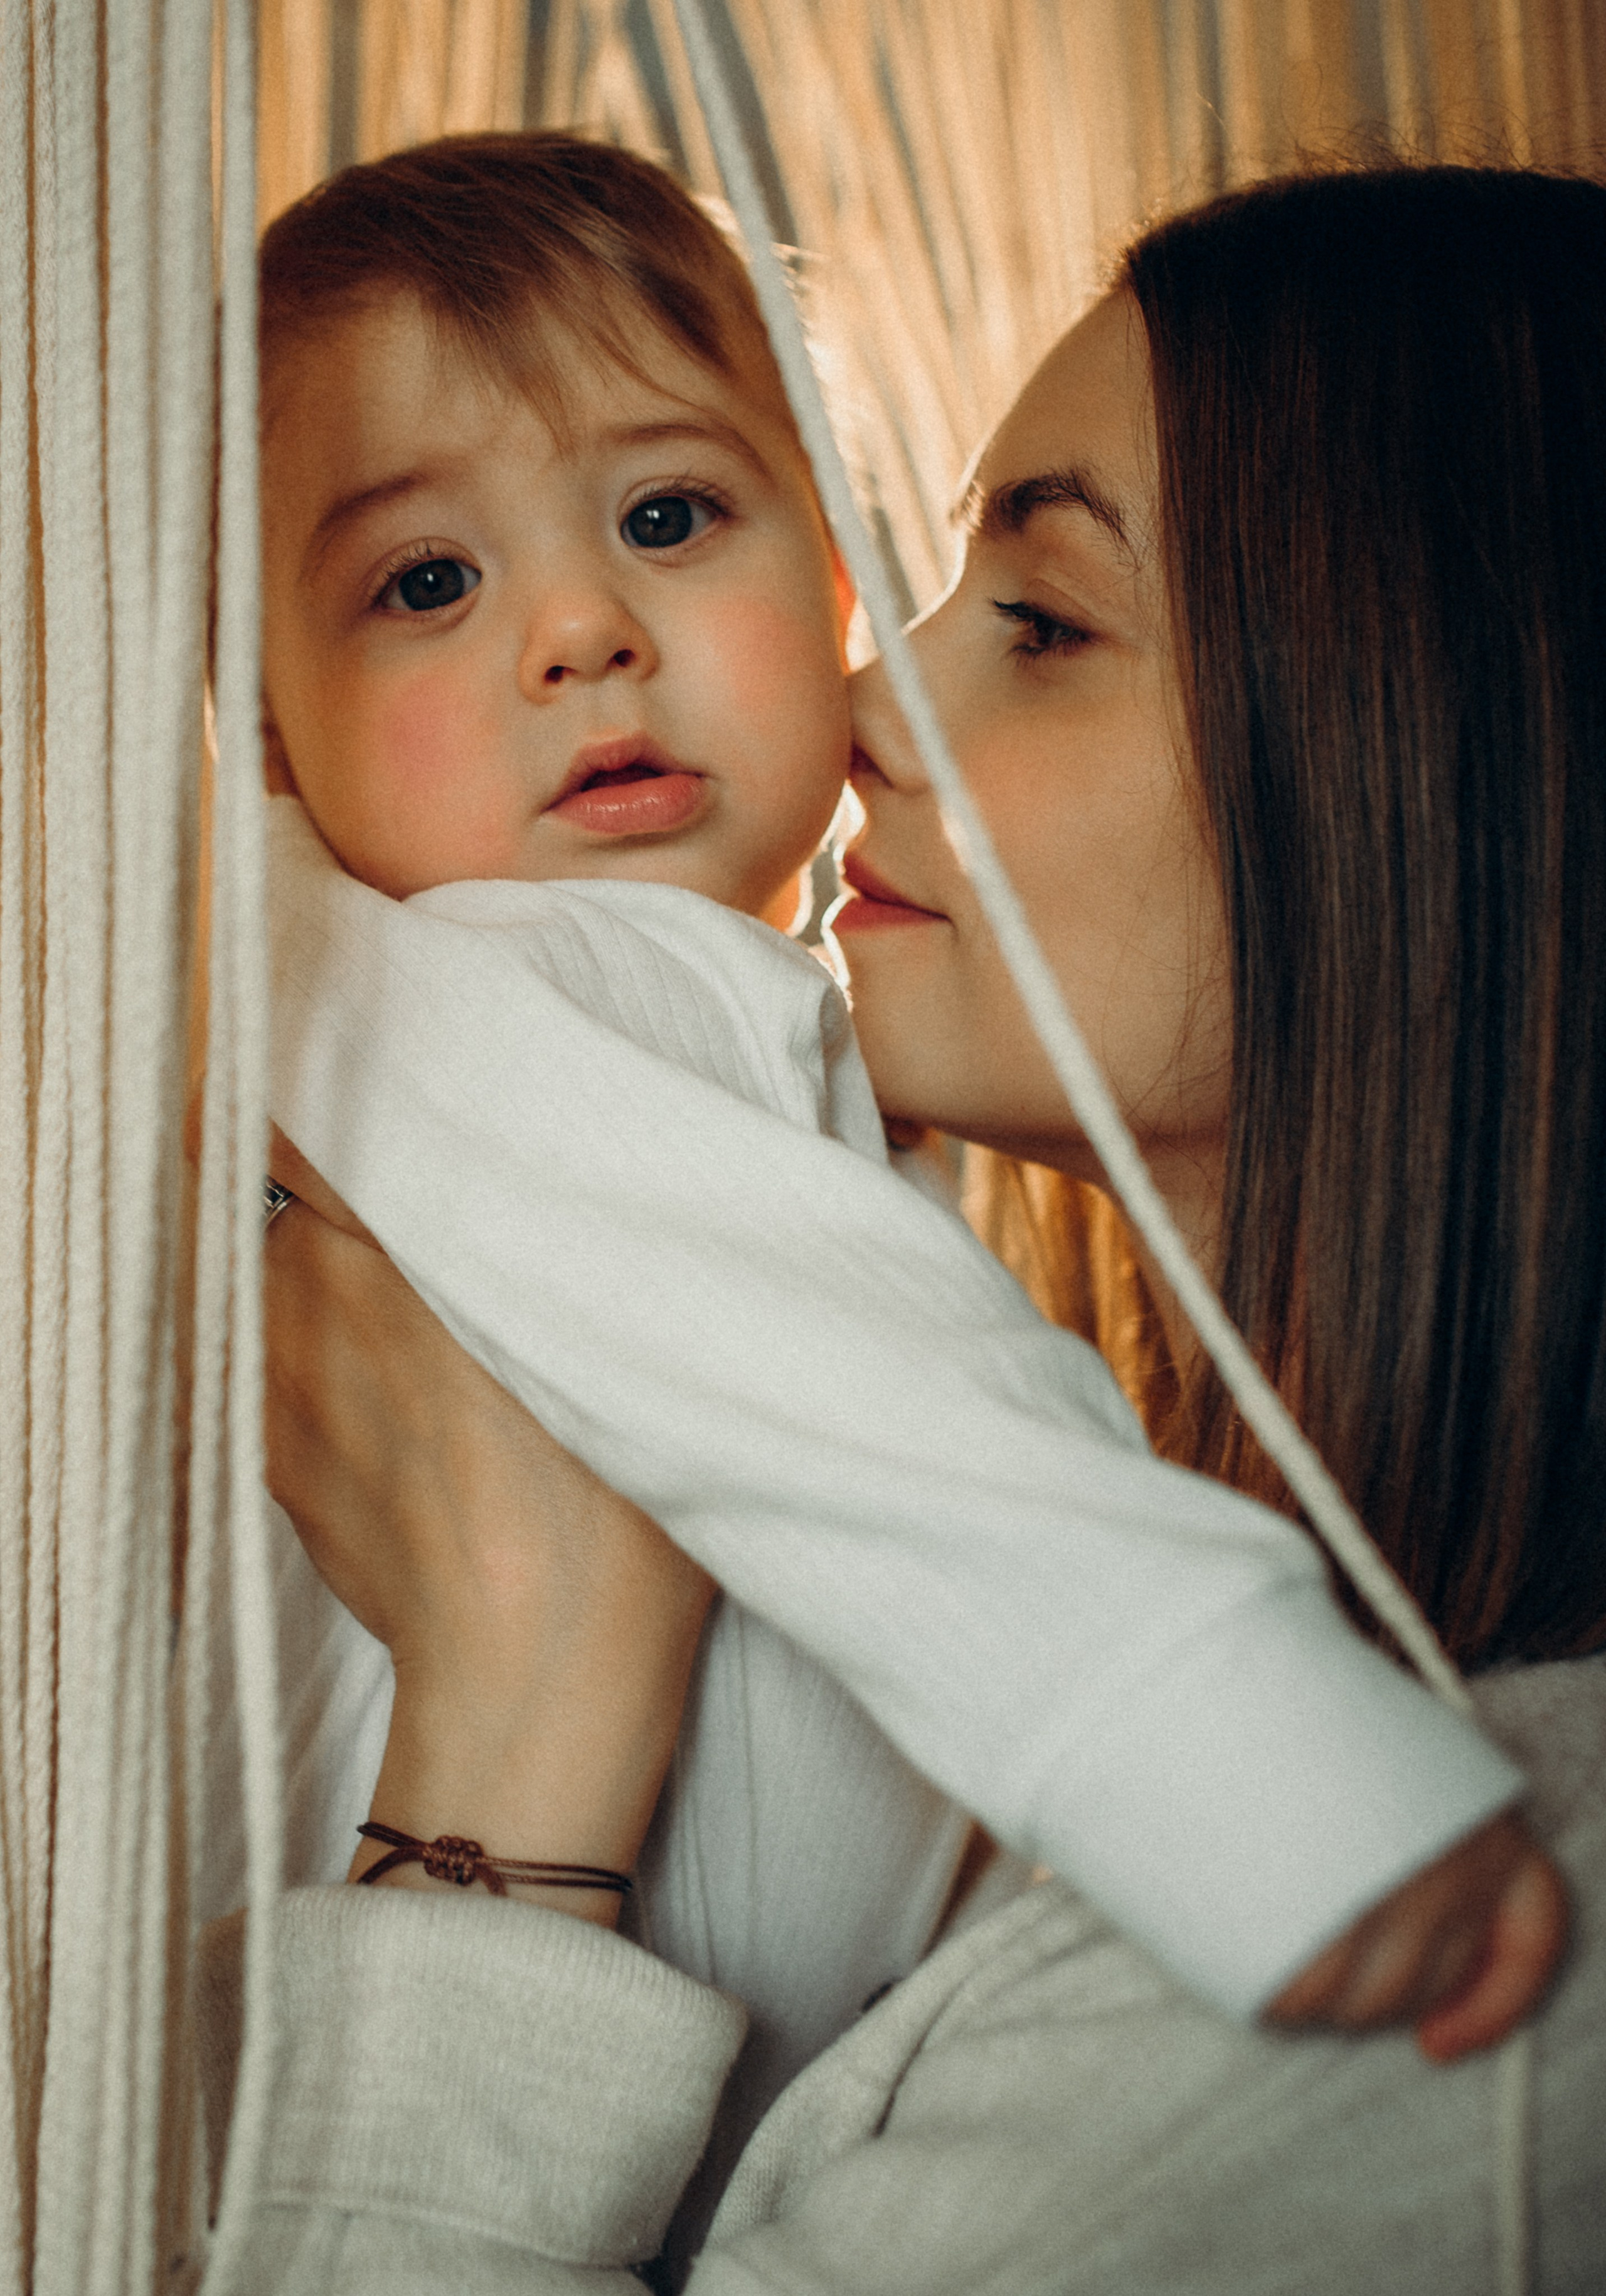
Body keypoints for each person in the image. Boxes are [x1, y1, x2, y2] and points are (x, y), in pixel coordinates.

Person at [213, 161, 1605, 2290]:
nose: (873, 710)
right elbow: (871, 1412)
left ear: (1437, 742)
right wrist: (1242, 1751)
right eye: (424, 583)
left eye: (1039, 621)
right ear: (277, 739)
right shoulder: (536, 992)